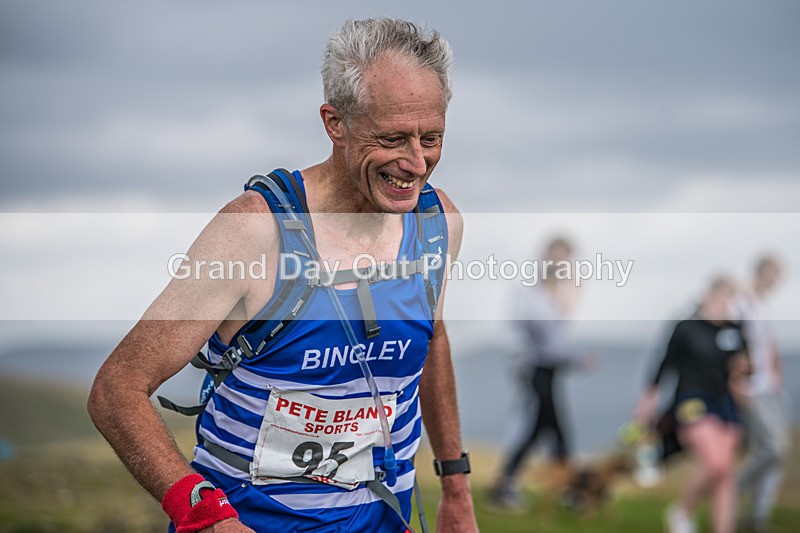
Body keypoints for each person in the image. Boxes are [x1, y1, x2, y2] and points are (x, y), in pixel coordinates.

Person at [88, 18, 478, 533]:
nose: (416, 163)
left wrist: (456, 488)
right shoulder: (255, 231)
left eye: (432, 138)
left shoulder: (437, 224)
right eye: (392, 139)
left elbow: (432, 338)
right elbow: (117, 389)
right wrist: (205, 517)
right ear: (335, 123)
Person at [635, 277, 749, 533]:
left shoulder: (736, 330)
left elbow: (743, 369)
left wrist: (744, 375)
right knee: (716, 461)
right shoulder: (686, 327)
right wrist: (647, 404)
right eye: (721, 297)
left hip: (726, 404)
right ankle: (682, 511)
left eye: (730, 299)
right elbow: (664, 365)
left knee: (725, 475)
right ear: (707, 297)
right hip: (691, 400)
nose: (725, 304)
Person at [491, 237, 589, 509]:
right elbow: (526, 333)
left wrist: (575, 359)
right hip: (533, 369)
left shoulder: (556, 293)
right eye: (557, 257)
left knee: (546, 429)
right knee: (546, 429)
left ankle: (561, 487)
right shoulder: (529, 291)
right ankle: (564, 489)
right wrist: (523, 364)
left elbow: (557, 341)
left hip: (549, 370)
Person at [738, 255, 790, 531]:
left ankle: (758, 516)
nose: (775, 281)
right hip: (751, 388)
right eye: (773, 274)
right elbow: (733, 344)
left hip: (770, 386)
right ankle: (733, 489)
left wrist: (777, 370)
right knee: (773, 449)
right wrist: (737, 383)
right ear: (760, 272)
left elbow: (769, 341)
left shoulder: (765, 304)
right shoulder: (741, 303)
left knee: (779, 454)